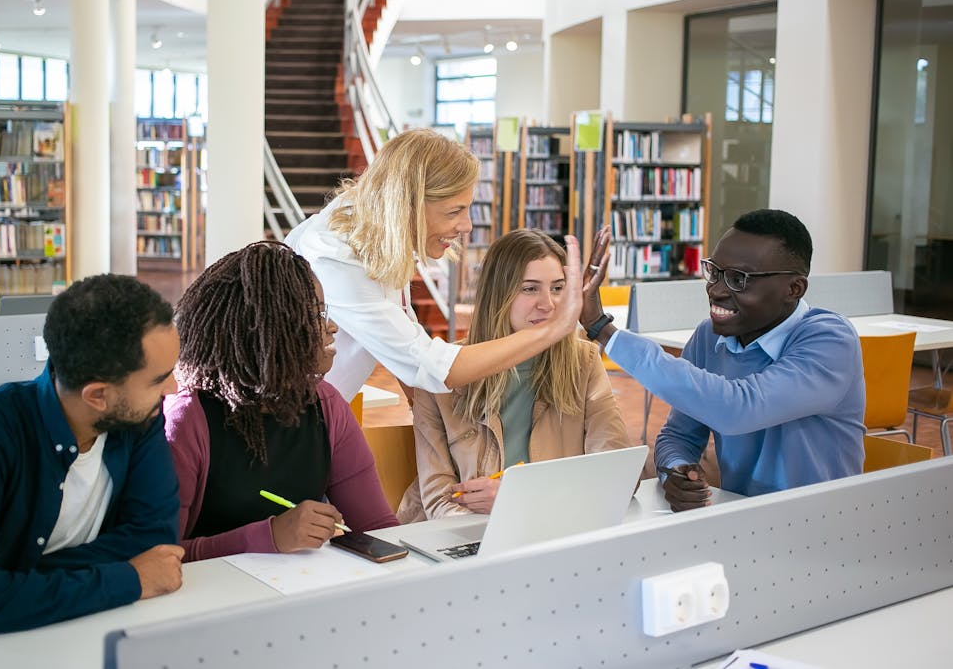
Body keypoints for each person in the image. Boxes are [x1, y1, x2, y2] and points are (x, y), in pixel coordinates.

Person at [0, 275, 184, 668]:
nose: (173, 388)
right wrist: (129, 578)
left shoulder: (141, 417)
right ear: (97, 395)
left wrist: (10, 583)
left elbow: (156, 540)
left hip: (82, 642)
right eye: (158, 379)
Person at [579, 209, 865, 511]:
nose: (714, 290)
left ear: (793, 289)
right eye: (714, 271)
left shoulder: (830, 340)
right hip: (739, 520)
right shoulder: (709, 337)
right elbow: (679, 435)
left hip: (822, 528)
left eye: (737, 279)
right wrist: (676, 471)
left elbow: (737, 408)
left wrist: (604, 329)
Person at [286, 128, 600, 402]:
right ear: (405, 207)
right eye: (454, 212)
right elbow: (427, 366)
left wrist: (422, 409)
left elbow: (401, 338)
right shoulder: (335, 257)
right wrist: (554, 330)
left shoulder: (374, 227)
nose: (467, 226)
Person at [164, 241, 399, 561]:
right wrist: (269, 536)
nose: (331, 327)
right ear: (264, 330)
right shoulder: (187, 422)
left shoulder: (326, 406)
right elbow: (158, 558)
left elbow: (378, 529)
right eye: (315, 314)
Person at [407, 229, 635, 520]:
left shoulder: (584, 362)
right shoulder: (440, 372)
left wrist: (520, 501)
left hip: (553, 527)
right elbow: (439, 501)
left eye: (557, 288)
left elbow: (616, 474)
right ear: (498, 293)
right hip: (470, 537)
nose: (548, 304)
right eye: (530, 288)